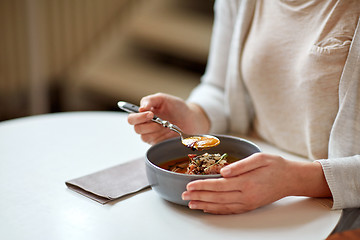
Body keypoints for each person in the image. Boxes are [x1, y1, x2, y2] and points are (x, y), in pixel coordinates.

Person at [127, 0, 360, 214]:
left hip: (339, 212)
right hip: (254, 193)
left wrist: (296, 179)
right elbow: (219, 87)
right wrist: (196, 115)